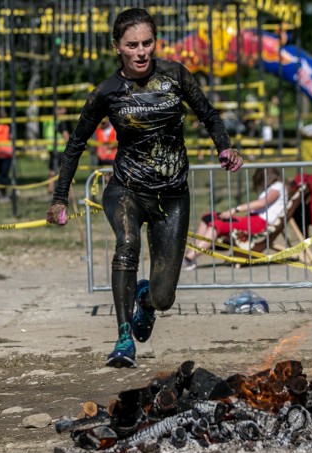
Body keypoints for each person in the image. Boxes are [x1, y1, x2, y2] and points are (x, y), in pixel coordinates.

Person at [45, 7, 243, 368]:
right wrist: (60, 198)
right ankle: (123, 339)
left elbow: (209, 114)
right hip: (126, 190)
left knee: (164, 296)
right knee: (127, 245)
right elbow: (75, 144)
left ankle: (146, 301)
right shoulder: (106, 92)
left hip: (173, 195)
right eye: (132, 45)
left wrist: (224, 146)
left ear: (155, 42)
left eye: (147, 43)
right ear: (117, 47)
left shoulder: (175, 75)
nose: (141, 52)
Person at [182, 167, 285, 270]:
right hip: (251, 219)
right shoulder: (273, 187)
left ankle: (189, 258)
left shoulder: (278, 186)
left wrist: (235, 209)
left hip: (258, 223)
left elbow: (262, 203)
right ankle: (191, 253)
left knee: (218, 225)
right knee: (208, 217)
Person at [44, 106, 70, 194]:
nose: (65, 110)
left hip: (50, 148)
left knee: (52, 169)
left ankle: (50, 188)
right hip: (60, 148)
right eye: (62, 109)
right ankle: (60, 188)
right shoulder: (60, 121)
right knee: (63, 170)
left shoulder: (47, 120)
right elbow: (65, 135)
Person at [94, 116, 117, 185]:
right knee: (105, 177)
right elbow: (96, 142)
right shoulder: (98, 130)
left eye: (104, 122)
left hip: (112, 155)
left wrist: (111, 147)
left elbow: (117, 141)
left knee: (112, 175)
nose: (103, 124)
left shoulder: (114, 128)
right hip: (103, 156)